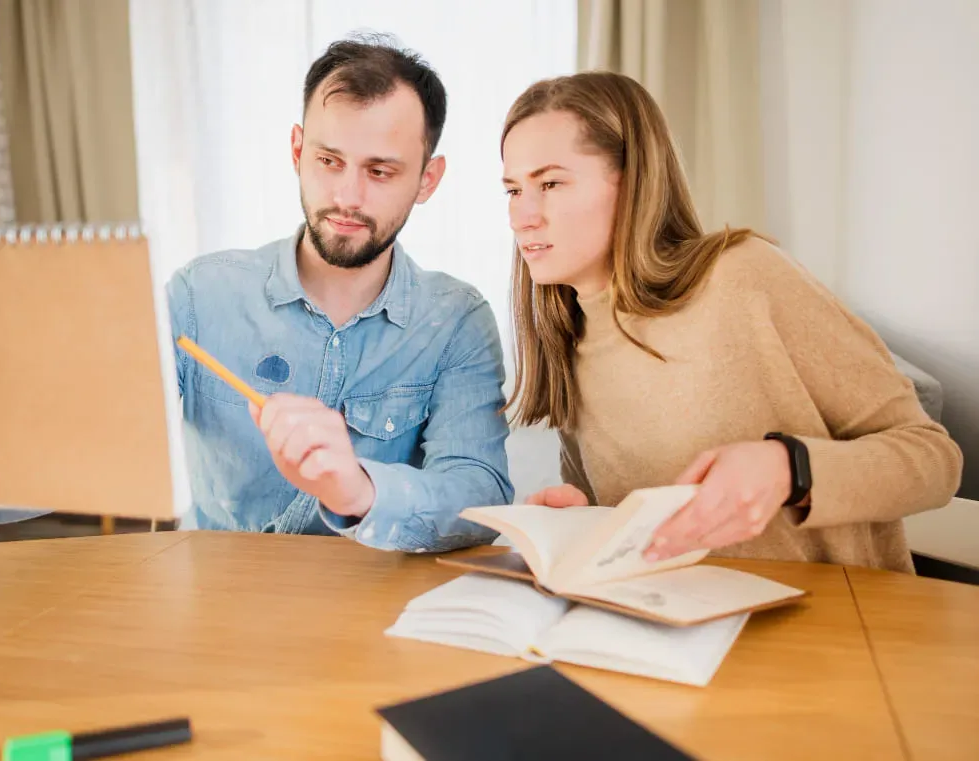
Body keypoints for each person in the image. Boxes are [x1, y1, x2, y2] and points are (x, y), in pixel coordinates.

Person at [499, 71, 963, 573]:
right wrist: (581, 523)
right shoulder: (568, 335)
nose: (523, 217)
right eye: (513, 190)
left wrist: (791, 468)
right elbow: (637, 529)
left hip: (839, 629)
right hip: (684, 630)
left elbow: (934, 460)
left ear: (632, 183)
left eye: (550, 183)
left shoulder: (742, 276)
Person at [166, 36, 513, 549]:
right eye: (329, 161)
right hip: (219, 610)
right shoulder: (199, 296)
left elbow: (480, 499)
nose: (347, 197)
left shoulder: (456, 320)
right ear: (297, 151)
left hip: (376, 616)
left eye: (379, 171)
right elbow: (94, 441)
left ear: (427, 180)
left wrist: (360, 492)